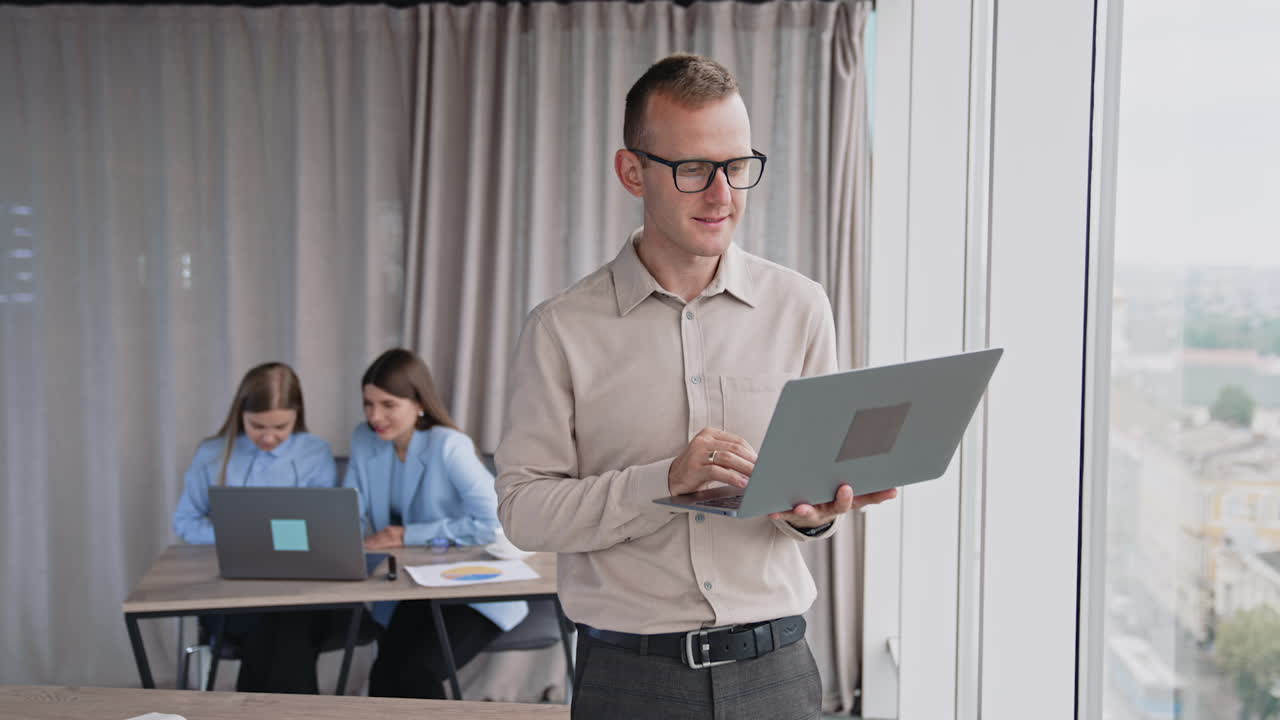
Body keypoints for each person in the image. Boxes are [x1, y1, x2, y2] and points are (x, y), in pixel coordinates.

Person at [495, 54, 898, 719]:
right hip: (630, 680)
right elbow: (523, 511)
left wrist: (817, 514)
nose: (723, 196)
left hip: (779, 673)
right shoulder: (560, 330)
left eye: (737, 167)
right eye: (693, 170)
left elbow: (814, 488)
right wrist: (663, 481)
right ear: (632, 172)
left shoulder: (801, 306)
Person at [343, 348, 528, 699]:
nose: (374, 416)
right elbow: (349, 505)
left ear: (419, 403)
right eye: (368, 404)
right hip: (413, 590)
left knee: (417, 672)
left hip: (472, 592)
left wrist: (406, 535)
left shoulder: (448, 446)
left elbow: (495, 522)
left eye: (388, 405)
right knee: (385, 675)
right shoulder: (364, 440)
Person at [172, 361, 340, 694]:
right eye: (257, 425)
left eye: (280, 426)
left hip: (304, 593)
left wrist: (263, 538)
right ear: (240, 416)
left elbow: (324, 529)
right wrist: (244, 538)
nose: (268, 437)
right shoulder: (212, 455)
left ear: (297, 414)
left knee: (286, 622)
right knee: (277, 626)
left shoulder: (315, 453)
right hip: (234, 595)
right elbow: (185, 521)